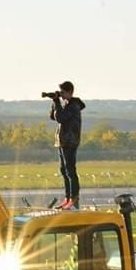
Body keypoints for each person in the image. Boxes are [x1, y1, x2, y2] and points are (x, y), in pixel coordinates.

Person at [49, 81, 86, 210]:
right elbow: (53, 117)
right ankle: (67, 198)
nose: (62, 94)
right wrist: (55, 102)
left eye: (63, 92)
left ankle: (73, 198)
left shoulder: (73, 106)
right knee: (64, 171)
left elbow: (60, 118)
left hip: (69, 142)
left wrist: (58, 102)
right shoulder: (66, 105)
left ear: (70, 92)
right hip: (62, 141)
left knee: (70, 171)